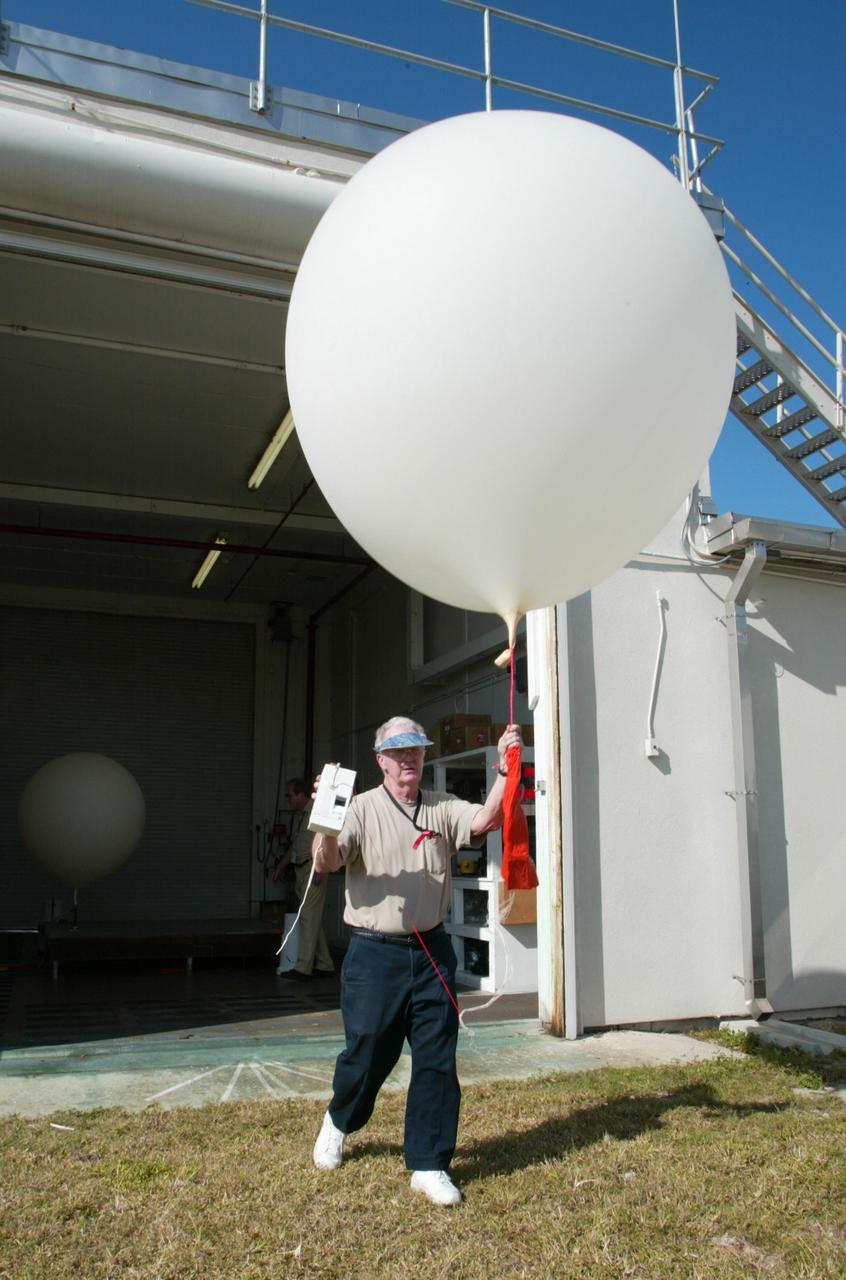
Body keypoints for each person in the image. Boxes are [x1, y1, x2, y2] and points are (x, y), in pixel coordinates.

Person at [310, 714, 521, 1206]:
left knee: (437, 1059)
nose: (409, 759)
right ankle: (339, 1120)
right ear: (381, 761)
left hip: (432, 952)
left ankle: (429, 1163)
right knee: (367, 1054)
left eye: (416, 750)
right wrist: (326, 816)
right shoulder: (358, 809)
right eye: (399, 752)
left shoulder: (440, 805)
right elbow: (327, 862)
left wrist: (505, 772)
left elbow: (484, 820)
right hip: (373, 954)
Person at [277, 778, 334, 982]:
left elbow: (327, 839)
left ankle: (303, 968)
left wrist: (321, 868)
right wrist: (280, 868)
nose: (288, 799)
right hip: (301, 869)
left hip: (313, 868)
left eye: (290, 795)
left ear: (301, 795)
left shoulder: (315, 812)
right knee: (311, 919)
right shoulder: (300, 816)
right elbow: (295, 845)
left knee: (307, 918)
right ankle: (325, 963)